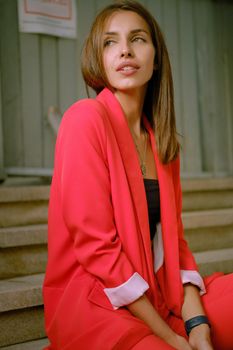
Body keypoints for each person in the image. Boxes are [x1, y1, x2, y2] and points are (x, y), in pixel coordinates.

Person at [43, 1, 233, 349]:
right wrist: (172, 338)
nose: (125, 50)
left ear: (156, 57)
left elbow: (176, 245)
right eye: (110, 42)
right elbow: (98, 249)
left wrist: (197, 326)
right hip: (98, 301)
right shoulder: (85, 119)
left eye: (138, 38)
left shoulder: (162, 143)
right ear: (97, 59)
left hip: (161, 293)